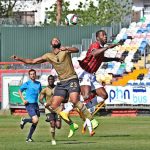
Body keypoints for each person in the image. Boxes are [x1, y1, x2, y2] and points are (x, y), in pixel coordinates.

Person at [11, 37, 96, 138]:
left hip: (72, 78)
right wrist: (19, 58)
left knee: (74, 100)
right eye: (53, 40)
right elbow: (33, 61)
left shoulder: (65, 50)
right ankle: (72, 125)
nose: (55, 40)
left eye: (57, 39)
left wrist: (67, 48)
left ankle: (91, 119)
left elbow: (76, 50)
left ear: (59, 43)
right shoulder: (48, 56)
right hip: (62, 82)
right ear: (51, 44)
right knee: (53, 106)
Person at [76, 30, 124, 132]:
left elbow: (102, 58)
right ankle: (73, 105)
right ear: (98, 38)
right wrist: (107, 47)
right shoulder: (95, 45)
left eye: (106, 35)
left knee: (104, 95)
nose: (105, 37)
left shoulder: (101, 48)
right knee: (86, 96)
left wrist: (115, 59)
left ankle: (84, 107)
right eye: (103, 35)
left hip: (92, 75)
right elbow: (94, 53)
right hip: (85, 72)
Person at [18, 69, 42, 142]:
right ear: (29, 75)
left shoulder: (38, 83)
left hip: (35, 104)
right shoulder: (27, 83)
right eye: (31, 74)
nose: (32, 75)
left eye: (33, 74)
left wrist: (42, 101)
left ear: (35, 74)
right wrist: (23, 100)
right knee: (35, 119)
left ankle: (29, 138)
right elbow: (19, 91)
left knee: (36, 122)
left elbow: (41, 93)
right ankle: (24, 120)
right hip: (29, 104)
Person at [39, 75, 61, 145]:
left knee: (58, 126)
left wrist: (62, 105)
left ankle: (58, 121)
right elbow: (40, 99)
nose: (51, 80)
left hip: (57, 108)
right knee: (52, 123)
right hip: (48, 109)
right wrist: (44, 103)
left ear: (54, 80)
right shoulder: (45, 89)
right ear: (48, 80)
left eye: (52, 79)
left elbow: (61, 97)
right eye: (49, 79)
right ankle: (53, 139)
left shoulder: (57, 88)